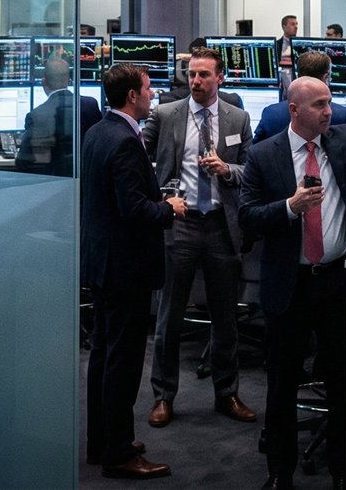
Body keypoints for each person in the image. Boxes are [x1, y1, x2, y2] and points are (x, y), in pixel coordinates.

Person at [240, 61, 346, 490]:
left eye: (330, 103)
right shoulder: (264, 156)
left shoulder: (345, 140)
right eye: (320, 105)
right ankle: (280, 472)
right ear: (294, 110)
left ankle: (342, 469)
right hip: (290, 284)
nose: (329, 111)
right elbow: (246, 218)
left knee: (341, 381)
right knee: (281, 383)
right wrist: (288, 208)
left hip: (338, 281)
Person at [82, 62, 186, 479]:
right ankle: (121, 454)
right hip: (126, 268)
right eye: (148, 89)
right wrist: (169, 207)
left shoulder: (97, 130)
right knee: (122, 365)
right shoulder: (125, 140)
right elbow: (134, 209)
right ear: (132, 96)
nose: (153, 94)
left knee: (103, 357)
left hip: (103, 262)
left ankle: (103, 441)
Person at [145, 47, 256, 429]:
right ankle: (163, 395)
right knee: (169, 316)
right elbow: (140, 158)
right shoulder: (165, 114)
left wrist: (228, 170)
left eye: (204, 75)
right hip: (181, 222)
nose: (195, 81)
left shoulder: (237, 117)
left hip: (221, 226)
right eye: (192, 74)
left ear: (220, 78)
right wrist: (159, 197)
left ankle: (227, 393)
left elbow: (251, 169)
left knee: (226, 317)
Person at [15, 52, 102, 177]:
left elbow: (23, 162)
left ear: (44, 82)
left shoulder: (36, 115)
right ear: (69, 81)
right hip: (87, 187)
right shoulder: (90, 105)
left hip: (54, 186)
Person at [253, 50, 346, 142]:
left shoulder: (271, 114)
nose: (328, 112)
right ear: (325, 78)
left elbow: (254, 153)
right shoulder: (342, 115)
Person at [274, 14, 298, 93]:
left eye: (296, 24)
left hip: (296, 82)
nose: (296, 27)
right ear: (284, 27)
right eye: (292, 24)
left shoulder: (300, 46)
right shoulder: (276, 45)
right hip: (281, 82)